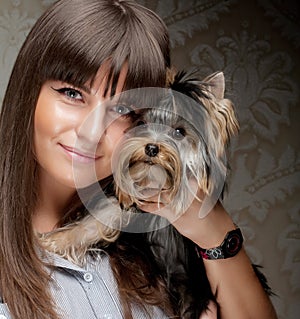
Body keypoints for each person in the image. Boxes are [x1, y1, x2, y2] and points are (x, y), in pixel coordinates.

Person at [0, 0, 278, 318]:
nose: (91, 131)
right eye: (72, 93)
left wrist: (216, 234)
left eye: (122, 110)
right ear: (28, 89)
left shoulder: (154, 250)